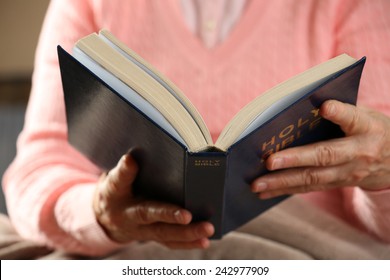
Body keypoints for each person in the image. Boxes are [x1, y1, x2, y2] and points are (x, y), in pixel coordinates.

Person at [2, 0, 390, 257]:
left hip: (296, 244)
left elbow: (375, 188)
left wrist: (383, 173)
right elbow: (39, 169)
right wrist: (99, 214)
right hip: (128, 247)